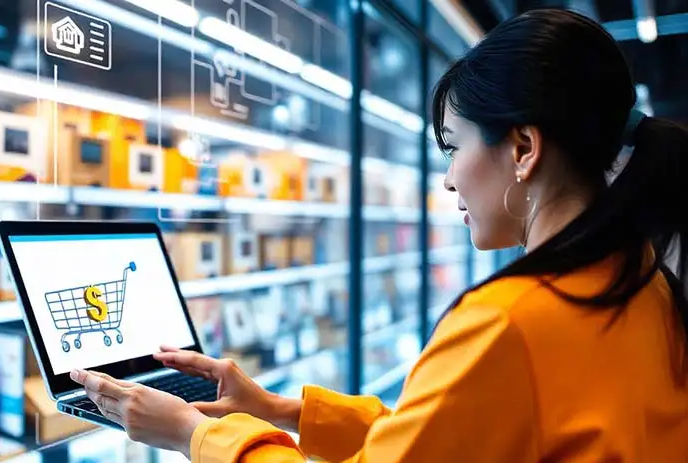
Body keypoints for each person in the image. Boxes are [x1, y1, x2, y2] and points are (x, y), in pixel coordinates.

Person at [70, 8, 688, 462]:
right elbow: (442, 442)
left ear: (523, 149)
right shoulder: (640, 279)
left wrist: (188, 431)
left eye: (454, 148)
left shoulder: (512, 321)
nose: (448, 181)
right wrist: (279, 410)